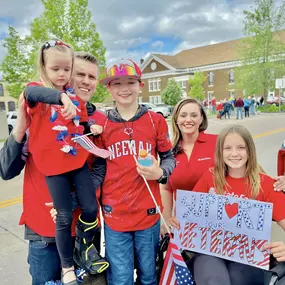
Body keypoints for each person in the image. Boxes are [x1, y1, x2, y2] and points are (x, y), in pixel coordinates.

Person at [0, 51, 107, 285]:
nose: (85, 81)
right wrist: (19, 128)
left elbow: (101, 171)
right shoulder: (39, 113)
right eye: (79, 74)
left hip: (84, 235)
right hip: (43, 233)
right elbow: (6, 171)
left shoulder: (98, 119)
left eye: (92, 76)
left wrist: (74, 200)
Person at [99, 59, 176, 285]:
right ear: (109, 89)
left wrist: (160, 172)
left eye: (130, 82)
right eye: (117, 83)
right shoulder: (101, 125)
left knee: (149, 276)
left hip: (148, 214)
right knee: (121, 279)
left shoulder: (155, 121)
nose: (124, 88)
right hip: (115, 215)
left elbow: (169, 158)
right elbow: (94, 168)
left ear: (140, 85)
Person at [160, 98, 285, 235]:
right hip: (190, 221)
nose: (188, 119)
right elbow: (165, 187)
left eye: (194, 115)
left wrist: (277, 182)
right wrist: (166, 219)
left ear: (202, 118)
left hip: (229, 221)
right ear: (176, 119)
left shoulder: (219, 141)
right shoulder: (169, 152)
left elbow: (248, 165)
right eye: (183, 115)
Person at [191, 124, 285, 285]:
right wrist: (178, 221)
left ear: (250, 151)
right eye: (228, 148)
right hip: (212, 252)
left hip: (249, 256)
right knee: (213, 279)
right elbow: (190, 215)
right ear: (220, 152)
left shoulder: (267, 184)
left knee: (237, 278)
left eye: (241, 147)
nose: (234, 154)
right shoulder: (210, 177)